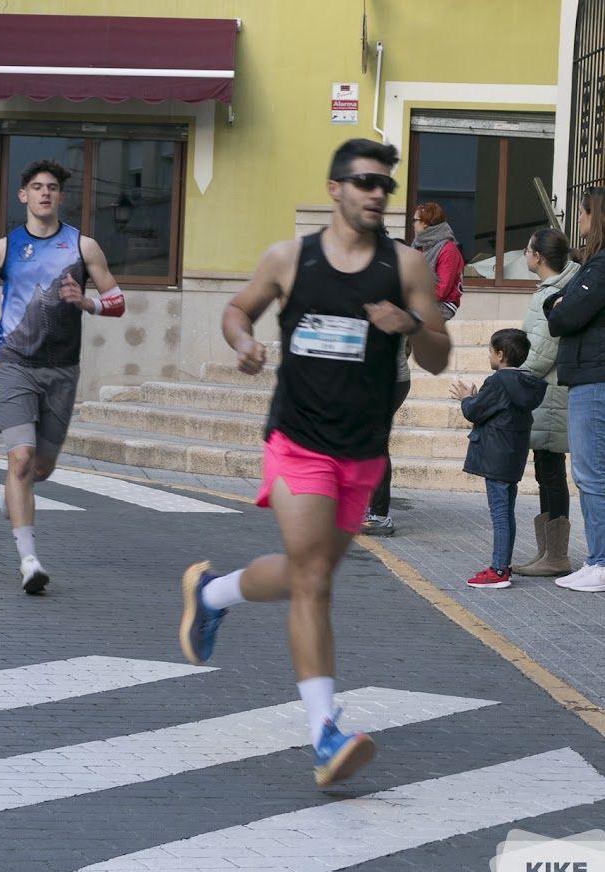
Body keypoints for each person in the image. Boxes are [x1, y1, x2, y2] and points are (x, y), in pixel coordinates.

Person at [179, 139, 451, 787]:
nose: (376, 194)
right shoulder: (289, 258)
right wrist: (243, 343)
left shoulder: (407, 265)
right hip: (298, 439)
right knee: (314, 579)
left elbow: (440, 356)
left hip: (363, 449)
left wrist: (409, 325)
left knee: (315, 570)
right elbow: (236, 309)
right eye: (364, 182)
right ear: (335, 188)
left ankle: (211, 593)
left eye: (385, 184)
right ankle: (324, 733)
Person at [0, 159, 126, 593]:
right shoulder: (1, 248)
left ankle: (15, 494)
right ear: (23, 195)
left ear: (60, 197)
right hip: (13, 362)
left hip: (61, 367)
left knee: (41, 466)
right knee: (19, 459)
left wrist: (87, 303)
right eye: (36, 187)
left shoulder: (83, 247)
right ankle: (29, 560)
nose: (44, 194)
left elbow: (116, 301)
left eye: (52, 188)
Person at [544, 186, 605, 593]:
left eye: (582, 214)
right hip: (596, 368)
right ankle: (598, 559)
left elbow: (565, 315)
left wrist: (557, 305)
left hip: (600, 372)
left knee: (592, 472)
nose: (578, 223)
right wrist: (559, 304)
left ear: (596, 216)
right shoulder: (604, 260)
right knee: (587, 471)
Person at [361, 201, 464, 536]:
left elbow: (441, 289)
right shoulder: (411, 255)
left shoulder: (443, 251)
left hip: (393, 370)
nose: (414, 225)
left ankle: (377, 513)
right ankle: (364, 506)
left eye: (418, 221)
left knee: (373, 441)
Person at [451, 329, 545, 588]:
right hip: (512, 455)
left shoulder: (497, 382)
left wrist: (466, 398)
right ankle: (502, 565)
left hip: (495, 456)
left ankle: (499, 570)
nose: (489, 355)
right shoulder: (527, 383)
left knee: (500, 514)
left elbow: (474, 412)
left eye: (490, 350)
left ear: (500, 355)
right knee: (506, 513)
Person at [515, 228, 579, 577]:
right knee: (546, 471)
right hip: (548, 394)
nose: (524, 255)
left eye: (526, 250)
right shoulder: (555, 290)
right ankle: (546, 553)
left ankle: (556, 556)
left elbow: (540, 353)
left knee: (551, 473)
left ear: (538, 256)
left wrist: (512, 375)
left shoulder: (551, 295)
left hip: (549, 394)